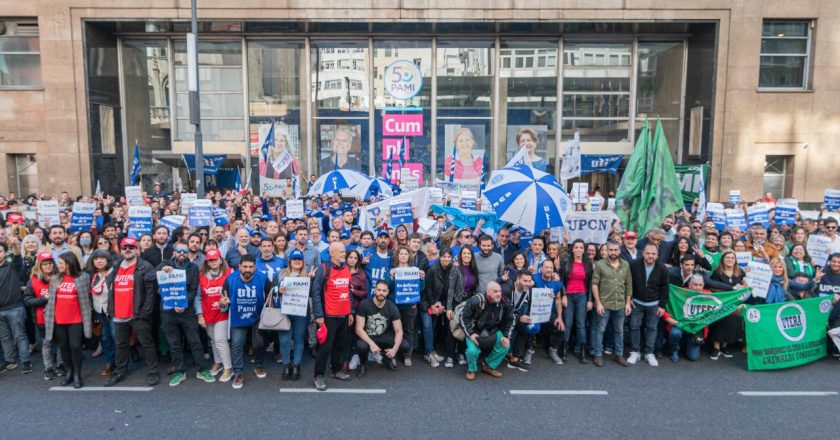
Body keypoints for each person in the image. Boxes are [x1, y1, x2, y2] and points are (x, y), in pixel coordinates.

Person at [157, 241, 215, 386]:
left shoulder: (194, 268)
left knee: (195, 341)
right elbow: (154, 276)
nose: (182, 253)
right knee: (174, 343)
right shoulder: (164, 264)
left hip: (186, 311)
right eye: (179, 251)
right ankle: (179, 371)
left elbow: (194, 289)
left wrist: (183, 303)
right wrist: (163, 269)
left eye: (184, 251)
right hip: (168, 312)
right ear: (174, 253)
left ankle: (202, 370)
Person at [104, 237, 160, 387]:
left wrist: (145, 312)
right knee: (121, 344)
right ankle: (120, 371)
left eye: (131, 247)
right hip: (118, 314)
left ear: (137, 249)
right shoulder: (115, 266)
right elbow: (110, 290)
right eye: (124, 247)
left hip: (137, 314)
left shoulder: (145, 267)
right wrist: (111, 309)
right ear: (120, 250)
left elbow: (151, 293)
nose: (127, 250)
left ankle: (153, 372)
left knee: (146, 343)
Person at [220, 254, 271, 389]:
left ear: (255, 267)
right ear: (240, 267)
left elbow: (271, 294)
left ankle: (259, 365)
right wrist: (223, 303)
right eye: (245, 267)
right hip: (238, 318)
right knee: (237, 345)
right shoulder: (230, 279)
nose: (247, 269)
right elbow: (223, 301)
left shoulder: (263, 278)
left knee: (260, 343)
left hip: (258, 318)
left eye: (250, 267)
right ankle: (238, 373)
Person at [44, 252, 92, 388]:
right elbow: (52, 300)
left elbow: (87, 299)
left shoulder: (83, 277)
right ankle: (69, 371)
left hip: (76, 318)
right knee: (63, 347)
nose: (58, 265)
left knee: (75, 346)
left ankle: (77, 373)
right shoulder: (55, 278)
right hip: (59, 319)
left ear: (69, 263)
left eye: (60, 263)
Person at [311, 242, 354, 391]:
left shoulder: (347, 268)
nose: (344, 254)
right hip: (328, 316)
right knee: (325, 348)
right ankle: (318, 375)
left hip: (343, 315)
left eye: (344, 251)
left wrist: (350, 311)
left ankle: (336, 370)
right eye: (341, 252)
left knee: (340, 345)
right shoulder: (323, 269)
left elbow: (349, 291)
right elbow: (315, 293)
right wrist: (319, 315)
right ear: (332, 253)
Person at [460, 282, 514, 381]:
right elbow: (463, 318)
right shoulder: (476, 301)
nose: (499, 294)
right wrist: (471, 334)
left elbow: (511, 319)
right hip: (475, 330)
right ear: (488, 293)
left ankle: (488, 366)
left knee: (505, 346)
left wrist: (506, 336)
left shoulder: (504, 302)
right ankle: (471, 370)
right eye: (495, 291)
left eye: (500, 291)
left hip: (493, 330)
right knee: (472, 351)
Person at [590, 241, 632, 367]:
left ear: (619, 251)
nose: (613, 252)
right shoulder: (599, 264)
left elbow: (628, 284)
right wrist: (598, 303)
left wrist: (628, 303)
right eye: (611, 250)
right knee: (600, 330)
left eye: (615, 250)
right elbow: (594, 284)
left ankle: (619, 355)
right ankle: (598, 355)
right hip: (604, 303)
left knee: (619, 330)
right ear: (607, 250)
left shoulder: (625, 265)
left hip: (620, 303)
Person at [354, 280, 409, 377]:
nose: (381, 293)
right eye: (379, 290)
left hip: (384, 335)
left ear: (387, 292)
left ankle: (386, 358)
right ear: (375, 290)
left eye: (384, 291)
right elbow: (358, 329)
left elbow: (399, 331)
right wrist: (371, 344)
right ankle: (363, 364)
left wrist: (394, 349)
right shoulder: (364, 304)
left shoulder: (392, 307)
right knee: (361, 346)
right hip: (368, 336)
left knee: (405, 345)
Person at [275, 250, 315, 381]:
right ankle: (286, 364)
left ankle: (296, 365)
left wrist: (312, 280)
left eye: (299, 259)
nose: (297, 261)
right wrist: (279, 291)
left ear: (303, 261)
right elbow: (273, 290)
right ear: (290, 261)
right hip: (284, 312)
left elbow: (313, 293)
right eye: (294, 259)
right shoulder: (281, 273)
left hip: (301, 313)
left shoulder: (308, 275)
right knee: (284, 340)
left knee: (299, 338)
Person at [627, 243, 669, 367]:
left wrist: (662, 305)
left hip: (654, 304)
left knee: (652, 328)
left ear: (657, 255)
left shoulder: (662, 268)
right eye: (648, 253)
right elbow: (628, 283)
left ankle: (649, 353)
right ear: (643, 253)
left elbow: (665, 288)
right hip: (637, 302)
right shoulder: (634, 265)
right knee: (634, 326)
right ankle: (635, 351)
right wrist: (629, 298)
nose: (650, 256)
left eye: (653, 254)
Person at [23, 252, 61, 379]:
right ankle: (49, 368)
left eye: (50, 263)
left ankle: (61, 365)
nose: (48, 266)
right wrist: (43, 298)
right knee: (47, 344)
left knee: (61, 343)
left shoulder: (60, 277)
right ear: (40, 265)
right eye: (45, 264)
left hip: (60, 316)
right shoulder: (33, 281)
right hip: (42, 319)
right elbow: (27, 300)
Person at [197, 249, 233, 382]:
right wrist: (199, 314)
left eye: (215, 259)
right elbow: (198, 296)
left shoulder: (229, 273)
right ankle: (218, 362)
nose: (213, 262)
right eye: (210, 260)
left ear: (220, 260)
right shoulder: (200, 275)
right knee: (213, 339)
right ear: (206, 261)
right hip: (207, 312)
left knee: (220, 340)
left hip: (222, 312)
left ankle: (228, 367)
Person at [0, 243, 32, 373]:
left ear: (5, 253)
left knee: (20, 336)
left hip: (15, 308)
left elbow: (17, 254)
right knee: (5, 337)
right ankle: (10, 361)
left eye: (0, 251)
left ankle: (25, 361)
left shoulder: (13, 265)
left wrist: (13, 243)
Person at [559, 240, 592, 363]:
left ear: (584, 250)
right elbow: (561, 280)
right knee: (567, 323)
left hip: (582, 296)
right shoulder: (566, 262)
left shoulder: (588, 264)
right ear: (572, 249)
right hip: (569, 295)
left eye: (581, 247)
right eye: (576, 247)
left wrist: (590, 299)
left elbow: (590, 283)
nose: (578, 249)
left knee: (581, 324)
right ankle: (564, 350)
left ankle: (582, 352)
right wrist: (563, 295)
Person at [663, 275, 708, 362]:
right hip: (679, 324)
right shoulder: (679, 293)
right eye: (695, 285)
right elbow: (664, 306)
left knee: (693, 357)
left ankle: (686, 344)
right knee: (675, 333)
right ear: (689, 284)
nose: (697, 287)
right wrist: (667, 318)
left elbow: (722, 307)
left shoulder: (708, 295)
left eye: (700, 285)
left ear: (703, 285)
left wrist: (737, 308)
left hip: (695, 329)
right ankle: (674, 350)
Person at [445, 246, 478, 368]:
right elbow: (450, 289)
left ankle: (461, 354)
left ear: (471, 255)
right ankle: (449, 356)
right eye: (464, 253)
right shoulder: (455, 269)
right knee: (452, 329)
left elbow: (475, 287)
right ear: (460, 255)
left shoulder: (474, 269)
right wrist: (448, 308)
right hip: (456, 301)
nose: (466, 256)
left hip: (468, 302)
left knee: (465, 328)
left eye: (468, 253)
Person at [420, 247, 452, 368]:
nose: (446, 259)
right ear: (439, 257)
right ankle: (428, 353)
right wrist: (433, 304)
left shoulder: (451, 269)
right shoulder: (432, 269)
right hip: (426, 303)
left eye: (448, 256)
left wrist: (440, 304)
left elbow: (447, 290)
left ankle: (431, 350)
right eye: (444, 256)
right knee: (427, 327)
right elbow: (427, 288)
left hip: (438, 304)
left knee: (433, 328)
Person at [87, 249, 116, 376]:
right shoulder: (93, 275)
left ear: (108, 260)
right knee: (105, 338)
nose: (99, 261)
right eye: (96, 259)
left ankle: (121, 364)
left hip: (113, 312)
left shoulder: (114, 273)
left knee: (116, 337)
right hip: (100, 312)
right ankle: (110, 362)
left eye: (102, 258)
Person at [532, 260, 566, 365]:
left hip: (549, 313)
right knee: (528, 328)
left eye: (551, 268)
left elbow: (558, 300)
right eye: (546, 267)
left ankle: (553, 350)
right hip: (534, 312)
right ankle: (528, 350)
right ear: (541, 268)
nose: (549, 270)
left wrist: (559, 317)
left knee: (560, 328)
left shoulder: (556, 283)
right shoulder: (535, 278)